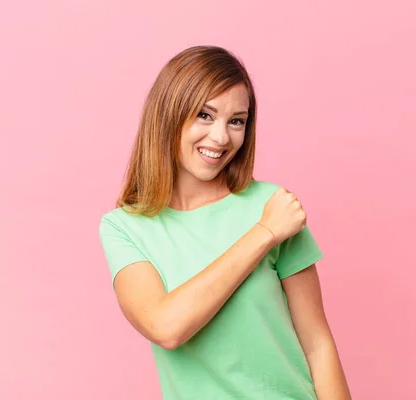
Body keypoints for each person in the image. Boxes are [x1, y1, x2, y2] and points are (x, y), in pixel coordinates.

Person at [98, 45, 351, 400]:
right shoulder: (125, 228)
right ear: (168, 115)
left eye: (236, 121)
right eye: (205, 115)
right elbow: (166, 327)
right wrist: (264, 234)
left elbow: (317, 344)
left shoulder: (271, 203)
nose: (220, 138)